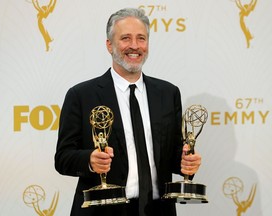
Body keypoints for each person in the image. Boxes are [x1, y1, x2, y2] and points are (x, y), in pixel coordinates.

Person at [55, 7, 202, 216]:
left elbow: (172, 153)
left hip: (158, 210)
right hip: (103, 211)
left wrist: (186, 161)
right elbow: (62, 158)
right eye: (125, 38)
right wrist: (89, 160)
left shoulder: (168, 93)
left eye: (141, 38)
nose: (134, 46)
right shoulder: (81, 95)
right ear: (109, 45)